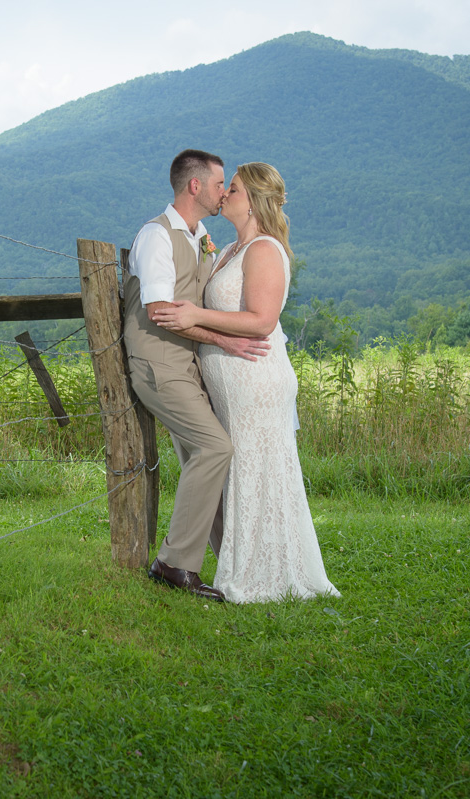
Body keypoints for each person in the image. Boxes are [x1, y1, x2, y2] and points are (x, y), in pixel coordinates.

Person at [153, 162, 339, 603]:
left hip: (254, 379)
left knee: (255, 469)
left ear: (252, 200)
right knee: (238, 471)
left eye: (231, 189)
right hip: (229, 383)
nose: (224, 195)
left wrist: (195, 315)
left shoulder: (264, 250)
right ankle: (246, 564)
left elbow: (261, 321)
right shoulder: (230, 250)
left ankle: (265, 574)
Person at [124, 149, 270, 602]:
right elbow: (160, 310)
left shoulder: (202, 235)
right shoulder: (156, 236)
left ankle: (232, 560)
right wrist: (225, 341)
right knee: (215, 447)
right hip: (158, 365)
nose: (224, 191)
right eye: (219, 183)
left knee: (204, 459)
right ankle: (173, 563)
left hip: (187, 365)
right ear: (195, 186)